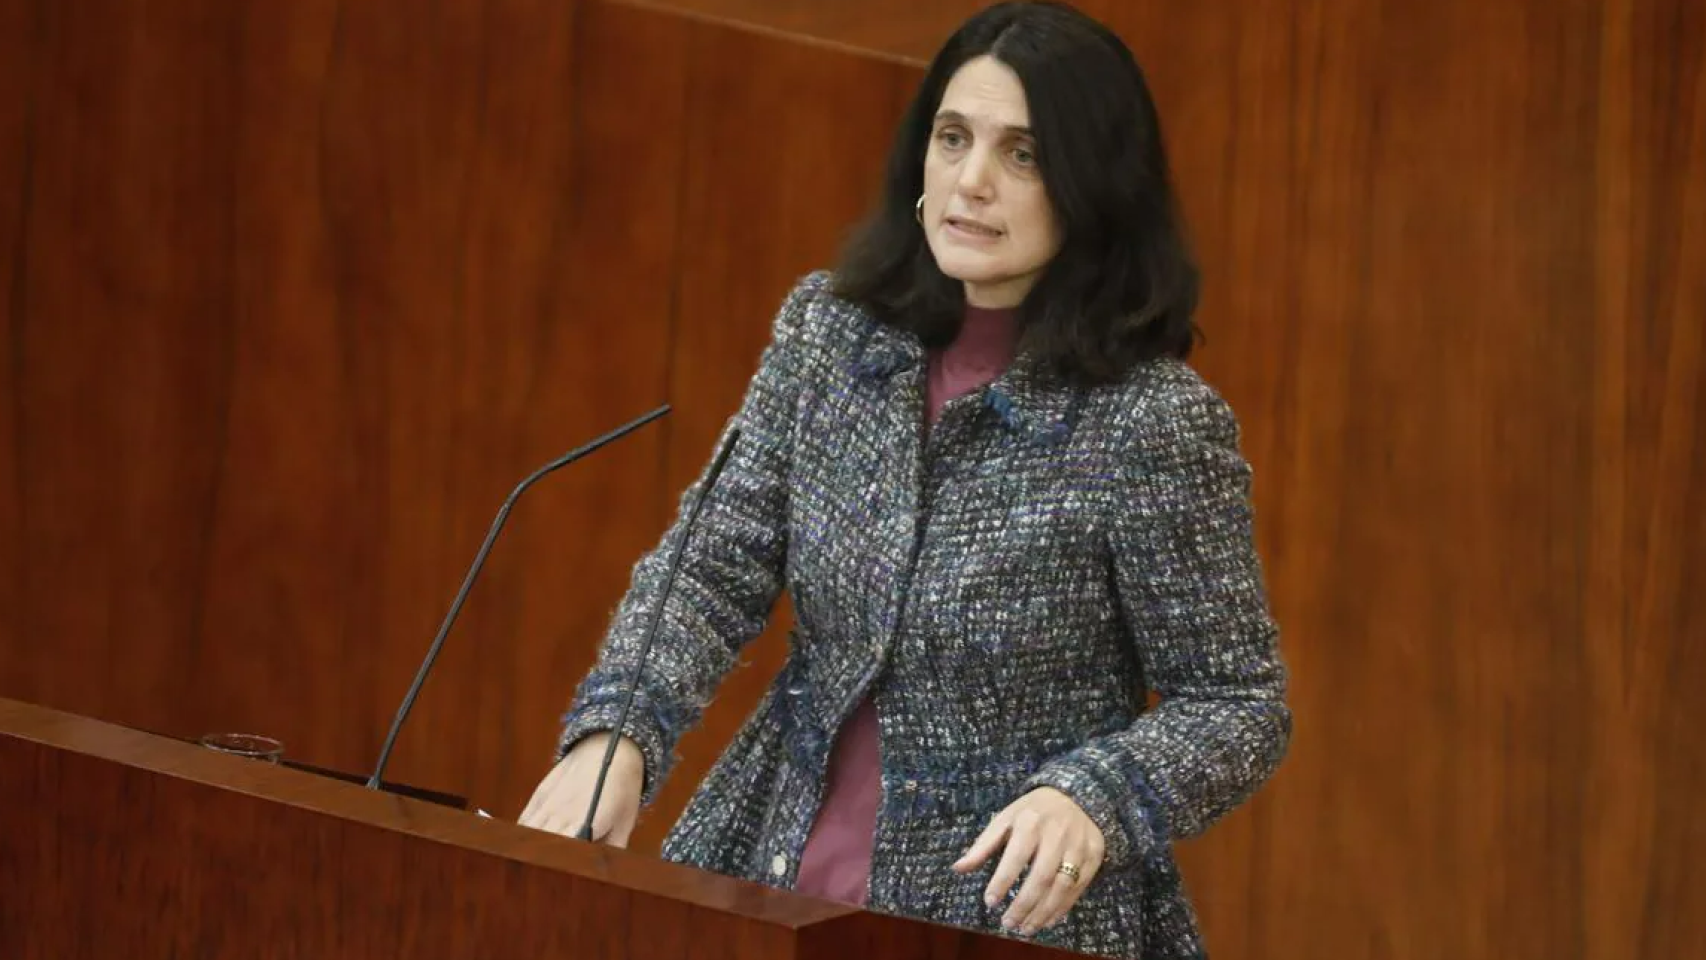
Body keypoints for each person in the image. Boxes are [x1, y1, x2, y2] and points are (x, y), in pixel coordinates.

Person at [519, 2, 1290, 957]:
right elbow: (712, 568)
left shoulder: (1149, 424)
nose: (971, 181)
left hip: (1007, 913)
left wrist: (1093, 796)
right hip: (774, 865)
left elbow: (1237, 704)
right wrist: (621, 731)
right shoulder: (832, 336)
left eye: (1023, 154)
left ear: (1094, 186)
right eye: (953, 137)